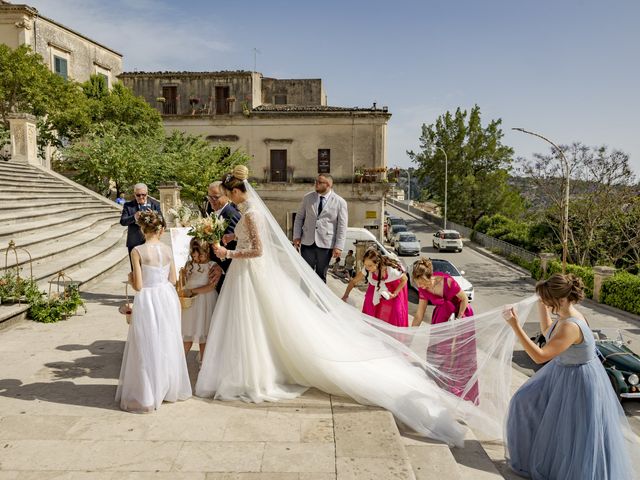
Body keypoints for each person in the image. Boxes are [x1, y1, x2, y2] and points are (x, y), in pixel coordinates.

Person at [195, 165, 471, 448]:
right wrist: (230, 239)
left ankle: (251, 373)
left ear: (238, 191)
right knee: (252, 323)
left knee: (251, 320)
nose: (229, 198)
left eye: (230, 194)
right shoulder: (248, 212)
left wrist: (227, 251)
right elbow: (250, 239)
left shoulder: (251, 213)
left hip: (249, 272)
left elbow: (258, 250)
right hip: (246, 274)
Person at [503, 274, 636, 479]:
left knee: (572, 432)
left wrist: (515, 326)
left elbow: (540, 356)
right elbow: (548, 331)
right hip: (563, 372)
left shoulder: (571, 325)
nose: (546, 301)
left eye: (548, 298)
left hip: (578, 379)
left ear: (561, 299)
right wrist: (541, 305)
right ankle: (534, 456)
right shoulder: (565, 317)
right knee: (524, 401)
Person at [115, 210, 191, 413]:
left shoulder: (137, 251)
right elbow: (173, 280)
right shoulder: (167, 250)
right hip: (167, 297)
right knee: (167, 340)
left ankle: (148, 393)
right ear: (161, 229)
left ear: (142, 229)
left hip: (148, 298)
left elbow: (139, 286)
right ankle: (168, 389)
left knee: (146, 343)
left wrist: (131, 279)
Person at [411, 257, 479, 404]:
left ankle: (460, 391)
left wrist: (458, 320)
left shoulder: (447, 281)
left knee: (460, 355)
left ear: (430, 275)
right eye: (418, 283)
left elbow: (464, 299)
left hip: (460, 315)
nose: (421, 285)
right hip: (441, 318)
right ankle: (440, 388)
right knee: (436, 351)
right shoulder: (423, 289)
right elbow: (419, 315)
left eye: (423, 281)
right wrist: (410, 335)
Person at [293, 174, 348, 283]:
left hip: (326, 245)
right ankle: (304, 299)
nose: (316, 184)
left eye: (319, 182)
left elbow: (342, 226)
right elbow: (299, 218)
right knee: (305, 274)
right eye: (316, 182)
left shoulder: (340, 202)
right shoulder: (307, 198)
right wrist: (296, 236)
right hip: (307, 243)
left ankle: (317, 300)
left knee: (320, 276)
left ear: (328, 184)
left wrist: (339, 246)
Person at [341, 248, 409, 327]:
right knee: (369, 303)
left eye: (370, 265)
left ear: (377, 263)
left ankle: (393, 333)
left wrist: (394, 294)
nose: (367, 268)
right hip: (376, 286)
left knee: (395, 311)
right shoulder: (366, 269)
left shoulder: (392, 270)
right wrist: (346, 295)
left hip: (394, 286)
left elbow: (405, 279)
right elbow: (353, 281)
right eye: (365, 265)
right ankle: (370, 329)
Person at [180, 238, 219, 360]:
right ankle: (179, 363)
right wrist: (183, 276)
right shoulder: (189, 265)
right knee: (187, 335)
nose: (196, 259)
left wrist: (192, 291)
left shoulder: (212, 266)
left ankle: (203, 363)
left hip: (205, 302)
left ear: (206, 252)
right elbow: (184, 283)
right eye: (194, 256)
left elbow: (211, 286)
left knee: (204, 335)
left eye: (200, 256)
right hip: (190, 304)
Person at [205, 181, 241, 292]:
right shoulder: (212, 211)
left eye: (215, 197)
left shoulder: (231, 215)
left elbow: (235, 246)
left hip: (226, 275)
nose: (211, 201)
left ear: (227, 196)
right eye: (209, 197)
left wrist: (221, 267)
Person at [119, 183, 161, 268]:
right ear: (134, 194)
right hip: (134, 242)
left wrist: (154, 216)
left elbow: (162, 221)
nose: (141, 197)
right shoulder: (128, 205)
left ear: (147, 193)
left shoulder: (155, 204)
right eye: (138, 195)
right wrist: (134, 217)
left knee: (151, 269)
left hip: (151, 242)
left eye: (143, 195)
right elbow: (123, 221)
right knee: (136, 270)